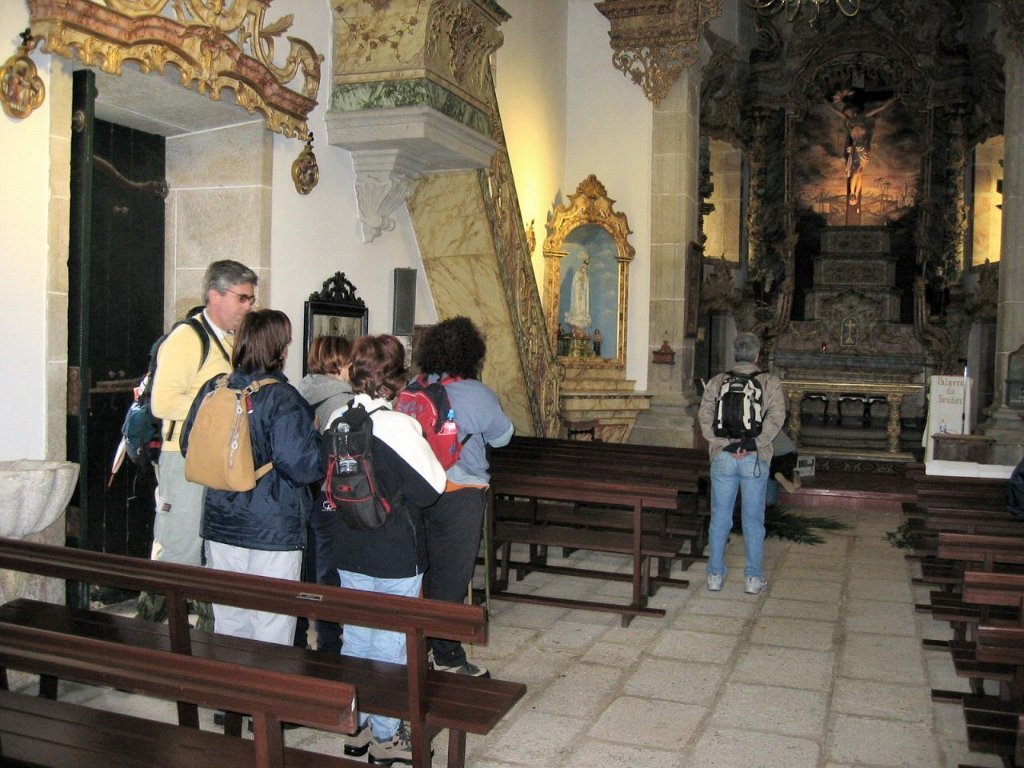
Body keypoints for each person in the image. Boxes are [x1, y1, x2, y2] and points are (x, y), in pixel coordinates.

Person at [326, 335, 447, 765]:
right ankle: (387, 735)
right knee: (392, 643)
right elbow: (432, 489)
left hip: (348, 544)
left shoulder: (336, 419)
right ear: (396, 378)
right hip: (395, 549)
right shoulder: (398, 426)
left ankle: (357, 726)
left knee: (357, 636)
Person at [181, 309, 323, 648]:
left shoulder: (214, 388)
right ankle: (266, 684)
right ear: (279, 348)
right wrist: (322, 443)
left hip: (221, 522)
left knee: (230, 619)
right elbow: (300, 465)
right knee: (272, 622)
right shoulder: (282, 398)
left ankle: (232, 683)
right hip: (272, 528)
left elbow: (189, 445)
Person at [139, 259, 257, 629]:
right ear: (215, 295)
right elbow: (162, 403)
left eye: (251, 299)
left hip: (218, 461)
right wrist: (219, 407)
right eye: (242, 298)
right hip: (184, 458)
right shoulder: (186, 339)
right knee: (179, 549)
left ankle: (207, 640)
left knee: (211, 553)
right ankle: (148, 636)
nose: (249, 306)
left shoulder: (232, 341)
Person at [412, 316, 514, 677]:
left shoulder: (416, 386)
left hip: (417, 490)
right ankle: (448, 655)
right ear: (473, 354)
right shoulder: (477, 394)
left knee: (421, 571)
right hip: (460, 493)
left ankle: (419, 647)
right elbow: (503, 437)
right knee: (453, 576)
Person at [698, 332, 785, 595]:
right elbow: (776, 419)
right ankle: (753, 578)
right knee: (753, 519)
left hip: (723, 457)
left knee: (720, 517)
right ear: (757, 355)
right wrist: (751, 444)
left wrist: (727, 444)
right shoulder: (770, 382)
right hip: (754, 458)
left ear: (734, 354)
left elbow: (705, 417)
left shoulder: (718, 381)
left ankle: (714, 575)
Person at [293, 335, 353, 653]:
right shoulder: (344, 401)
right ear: (340, 364)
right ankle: (329, 643)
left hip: (303, 491)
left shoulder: (300, 390)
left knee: (305, 568)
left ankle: (299, 634)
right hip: (330, 492)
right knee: (330, 571)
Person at [827, 88, 898, 204]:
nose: (850, 111)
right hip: (858, 148)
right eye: (849, 110)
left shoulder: (862, 117)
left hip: (862, 147)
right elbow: (836, 111)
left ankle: (853, 194)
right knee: (858, 173)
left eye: (851, 110)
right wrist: (826, 104)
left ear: (854, 109)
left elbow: (879, 108)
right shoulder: (849, 119)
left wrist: (891, 101)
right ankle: (854, 194)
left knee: (857, 172)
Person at [765, 421, 801, 507]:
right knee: (782, 470)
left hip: (777, 457)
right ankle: (792, 475)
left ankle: (782, 474)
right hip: (792, 454)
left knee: (771, 471)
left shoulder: (760, 428)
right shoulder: (770, 423)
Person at [565, 256, 591, 330]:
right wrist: (578, 282)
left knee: (582, 305)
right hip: (577, 294)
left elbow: (587, 287)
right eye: (583, 268)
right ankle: (576, 314)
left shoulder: (586, 277)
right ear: (581, 268)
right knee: (577, 305)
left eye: (585, 269)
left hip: (583, 295)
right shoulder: (577, 275)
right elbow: (574, 284)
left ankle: (582, 315)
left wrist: (583, 288)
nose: (584, 270)